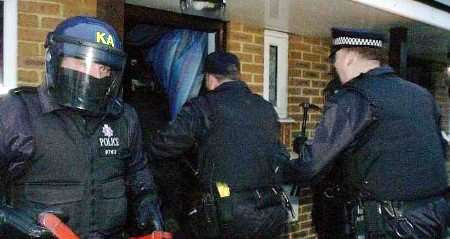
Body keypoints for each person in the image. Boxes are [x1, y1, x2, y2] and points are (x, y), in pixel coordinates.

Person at [0, 16, 163, 238]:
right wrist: (8, 219)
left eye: (103, 67)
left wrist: (147, 199)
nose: (94, 75)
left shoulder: (124, 117)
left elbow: (137, 169)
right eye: (81, 63)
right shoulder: (16, 112)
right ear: (55, 60)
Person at [287, 27, 450, 238]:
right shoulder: (422, 95)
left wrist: (275, 168)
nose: (335, 67)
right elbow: (439, 149)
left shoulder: (354, 98)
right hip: (435, 216)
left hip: (394, 225)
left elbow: (310, 166)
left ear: (348, 57)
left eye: (334, 60)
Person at [147, 51, 289, 239]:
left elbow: (164, 144)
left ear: (210, 78)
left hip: (228, 215)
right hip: (271, 211)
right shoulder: (265, 107)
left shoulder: (203, 107)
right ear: (237, 75)